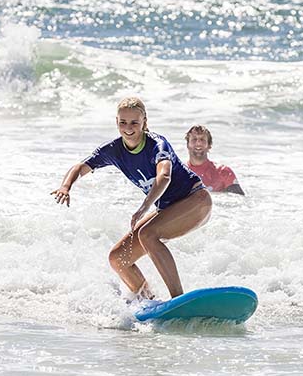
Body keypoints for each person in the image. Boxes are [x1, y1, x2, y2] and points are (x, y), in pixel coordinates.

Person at [52, 96, 212, 300]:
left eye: (134, 122)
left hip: (196, 200)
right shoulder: (113, 150)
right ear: (117, 122)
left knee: (147, 234)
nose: (128, 128)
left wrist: (144, 207)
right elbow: (80, 167)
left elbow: (164, 176)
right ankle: (149, 301)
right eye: (123, 122)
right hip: (168, 208)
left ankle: (178, 299)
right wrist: (66, 186)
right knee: (118, 258)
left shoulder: (157, 144)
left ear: (144, 121)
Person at [184, 125, 245, 195]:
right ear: (188, 145)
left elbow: (240, 202)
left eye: (202, 139)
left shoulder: (223, 172)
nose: (198, 143)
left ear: (209, 145)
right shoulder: (179, 173)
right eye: (194, 139)